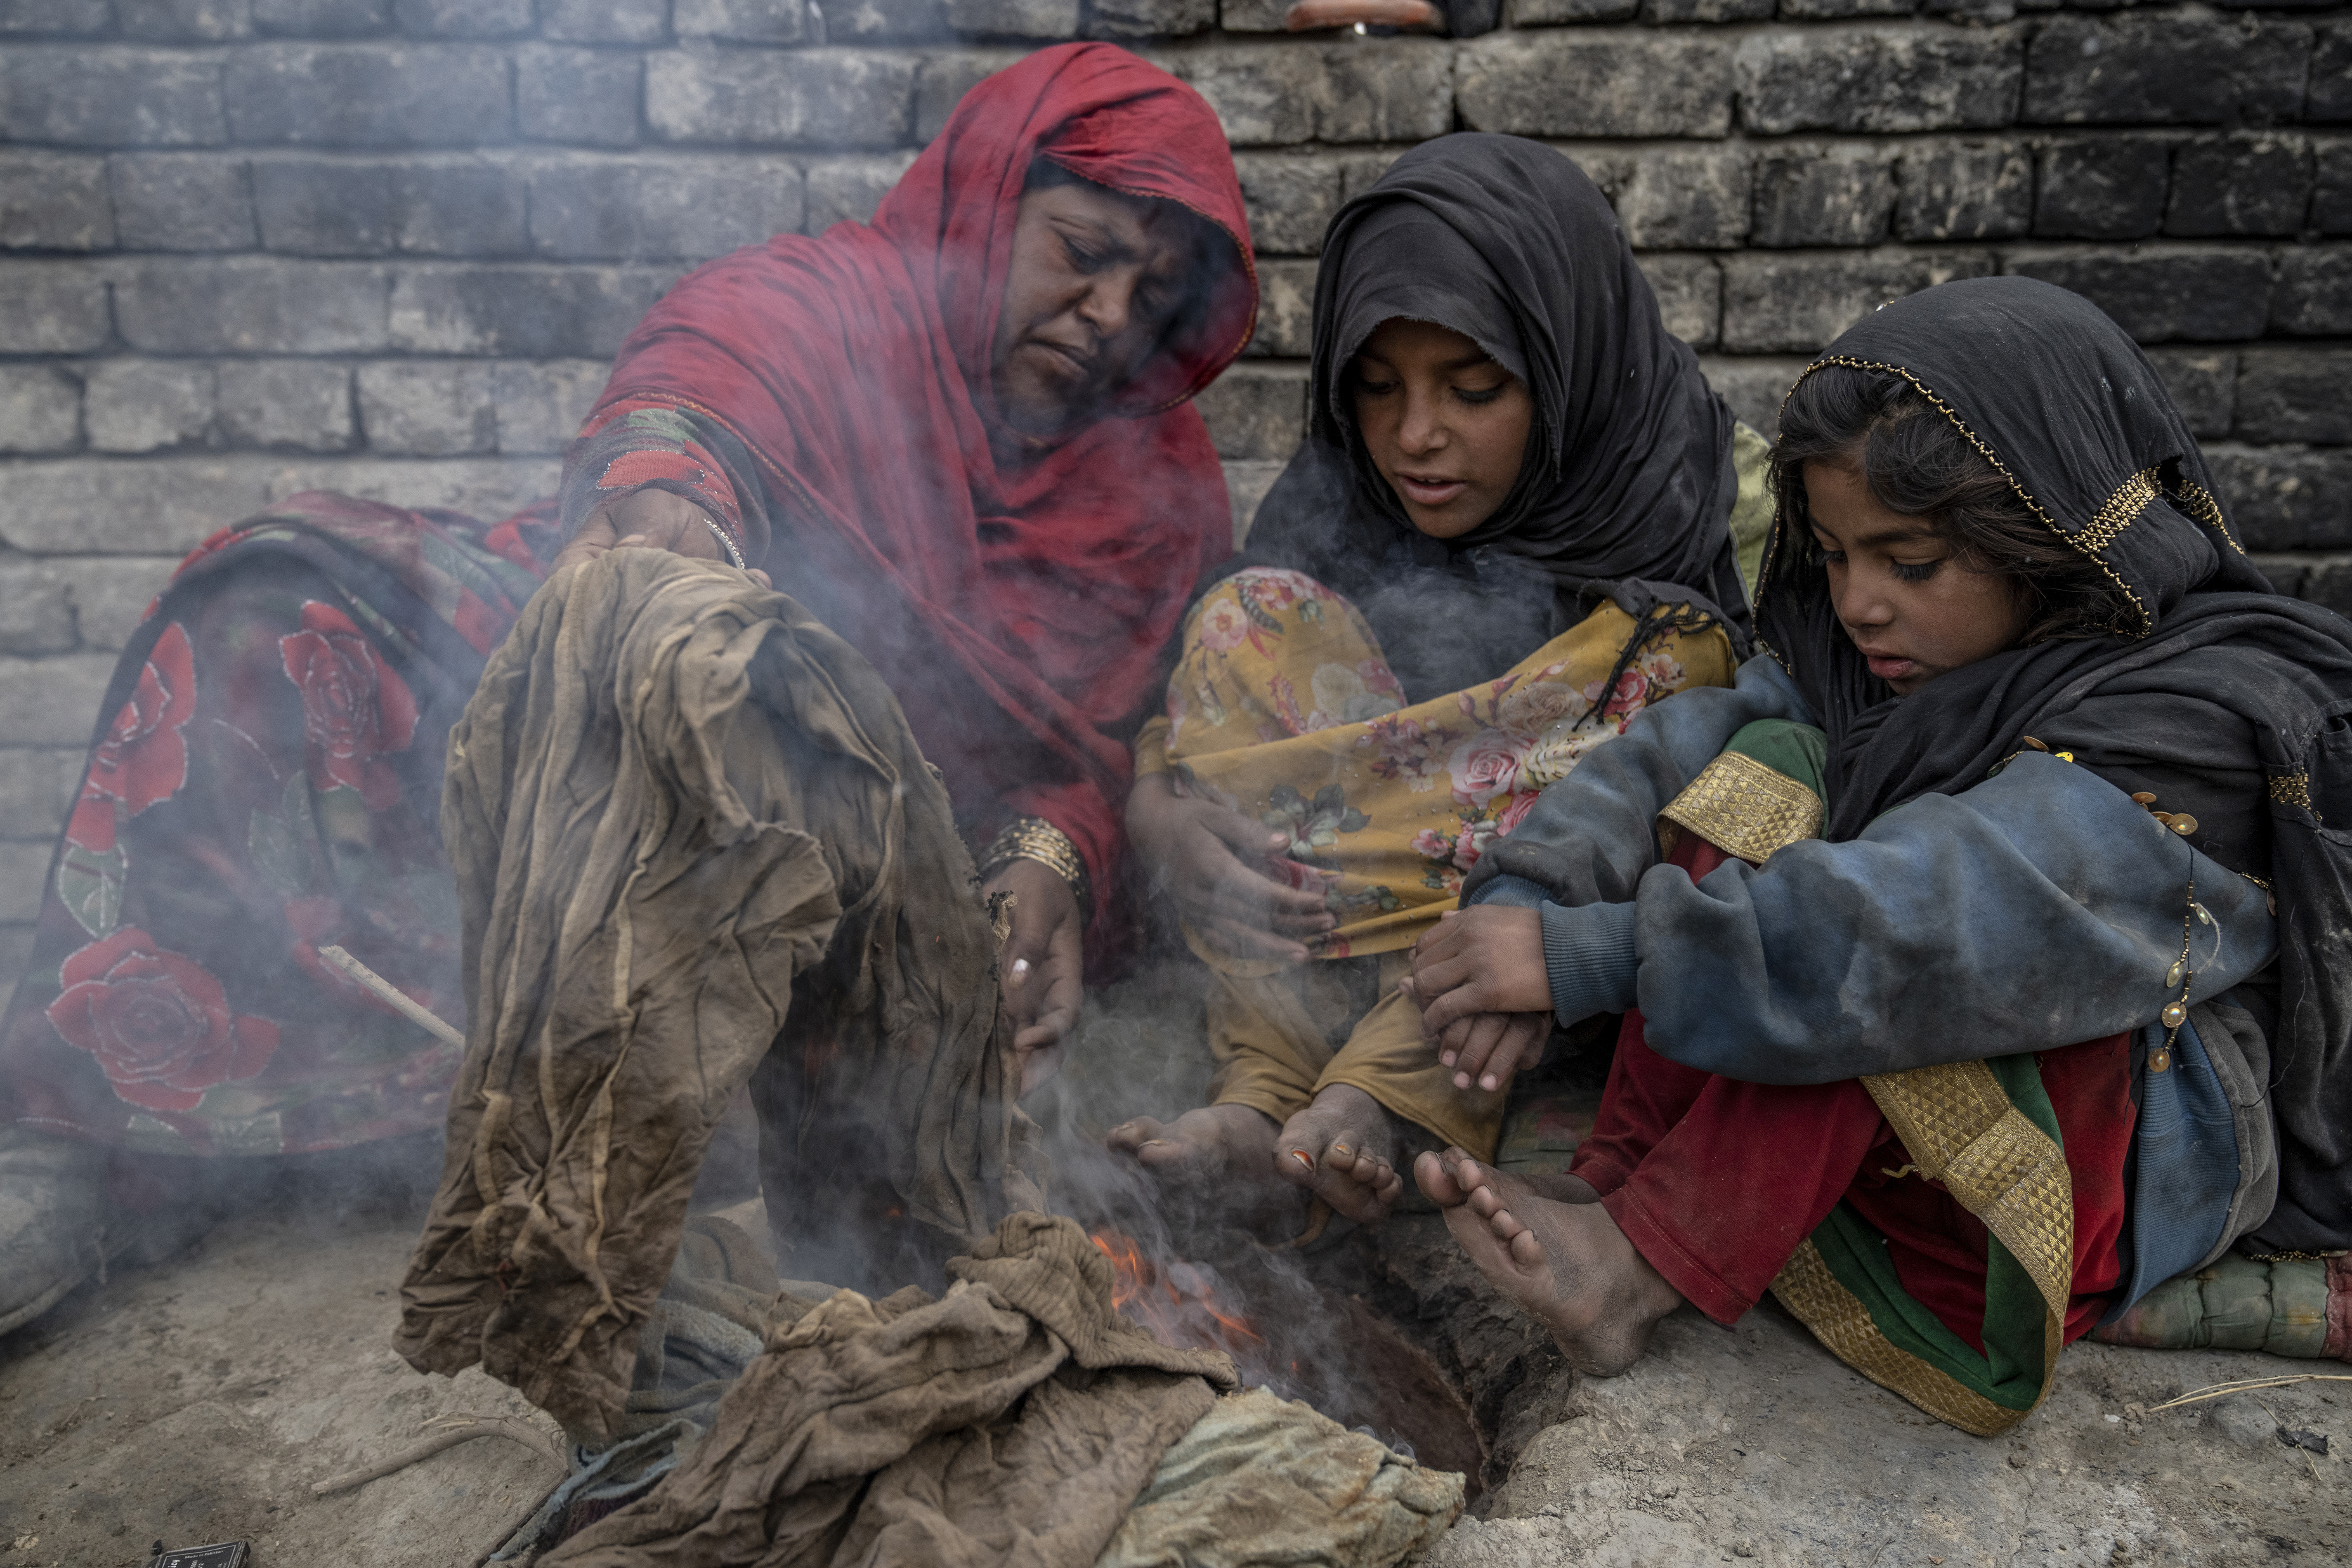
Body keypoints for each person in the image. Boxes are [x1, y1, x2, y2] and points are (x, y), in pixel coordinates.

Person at [0, 42, 1257, 1335]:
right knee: (278, 602)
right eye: (1082, 250)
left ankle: (613, 1151)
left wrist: (1053, 853)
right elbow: (705, 380)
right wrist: (672, 503)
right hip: (648, 696)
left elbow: (1116, 742)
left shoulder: (1155, 482)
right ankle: (107, 1137)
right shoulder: (829, 306)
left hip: (859, 856)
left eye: (1151, 291)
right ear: (985, 202)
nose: (1110, 313)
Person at [1404, 275, 2352, 1432]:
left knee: (1881, 948)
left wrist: (1587, 956)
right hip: (1894, 1132)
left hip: (2095, 1169)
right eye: (1836, 554)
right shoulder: (1871, 663)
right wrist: (1522, 907)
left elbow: (1918, 928)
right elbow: (1665, 756)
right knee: (1765, 760)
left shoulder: (2190, 727)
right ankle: (1617, 1182)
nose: (1856, 603)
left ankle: (1642, 1262)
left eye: (1908, 563)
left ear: (2045, 543)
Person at [1110, 135, 1771, 1232]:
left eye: (1472, 389)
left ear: (1565, 367)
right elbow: (1202, 697)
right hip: (1315, 918)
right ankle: (1261, 1089)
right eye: (1375, 388)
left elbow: (1760, 763)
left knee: (1673, 667)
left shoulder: (1707, 500)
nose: (1414, 438)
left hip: (1540, 932)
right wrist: (1161, 805)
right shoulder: (1347, 488)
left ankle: (1381, 1087)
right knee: (1246, 617)